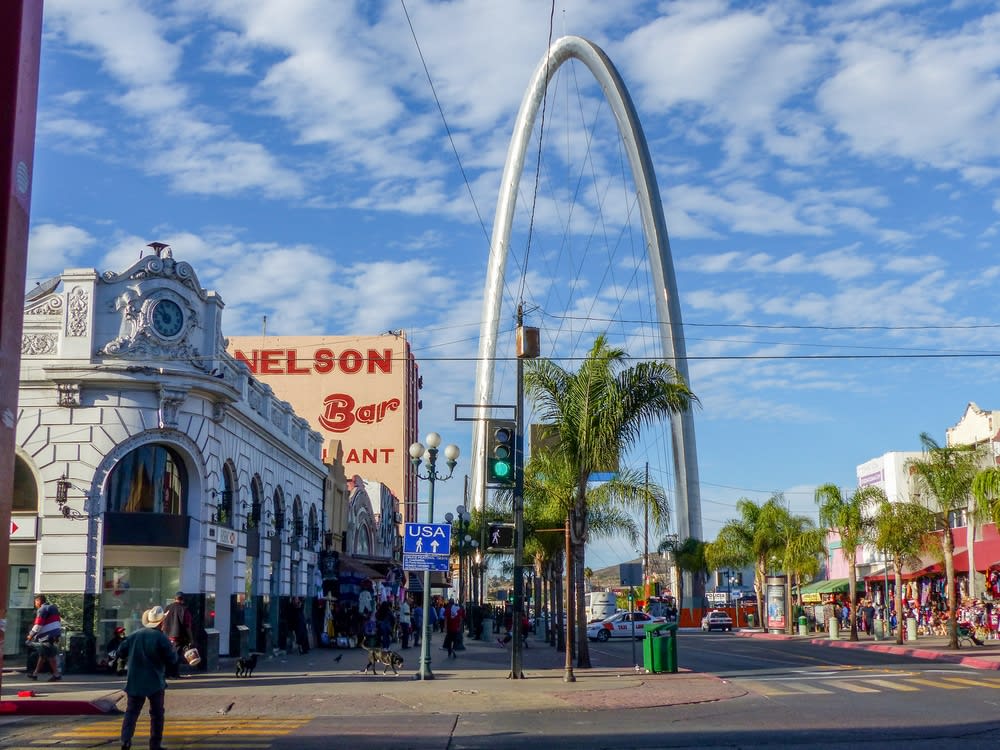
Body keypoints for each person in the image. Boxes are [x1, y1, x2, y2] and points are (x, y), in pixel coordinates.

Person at [118, 606, 179, 750]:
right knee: (157, 714)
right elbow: (172, 659)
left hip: (135, 681)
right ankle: (155, 744)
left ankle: (125, 740)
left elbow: (121, 652)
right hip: (155, 681)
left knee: (131, 712)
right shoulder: (161, 638)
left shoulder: (134, 635)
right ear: (161, 623)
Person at [25, 594, 62, 681]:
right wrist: (56, 635)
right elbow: (57, 621)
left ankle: (56, 674)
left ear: (39, 601)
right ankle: (35, 674)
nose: (35, 604)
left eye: (35, 602)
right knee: (43, 655)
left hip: (47, 636)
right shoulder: (53, 608)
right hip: (54, 634)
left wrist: (31, 635)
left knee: (49, 655)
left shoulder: (42, 609)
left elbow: (38, 624)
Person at [160, 591, 195, 676]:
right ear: (183, 600)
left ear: (174, 599)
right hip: (177, 636)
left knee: (167, 654)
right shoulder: (184, 609)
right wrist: (191, 639)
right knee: (176, 655)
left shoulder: (167, 608)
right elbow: (187, 626)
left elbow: (162, 621)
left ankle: (167, 673)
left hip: (166, 636)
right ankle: (174, 673)